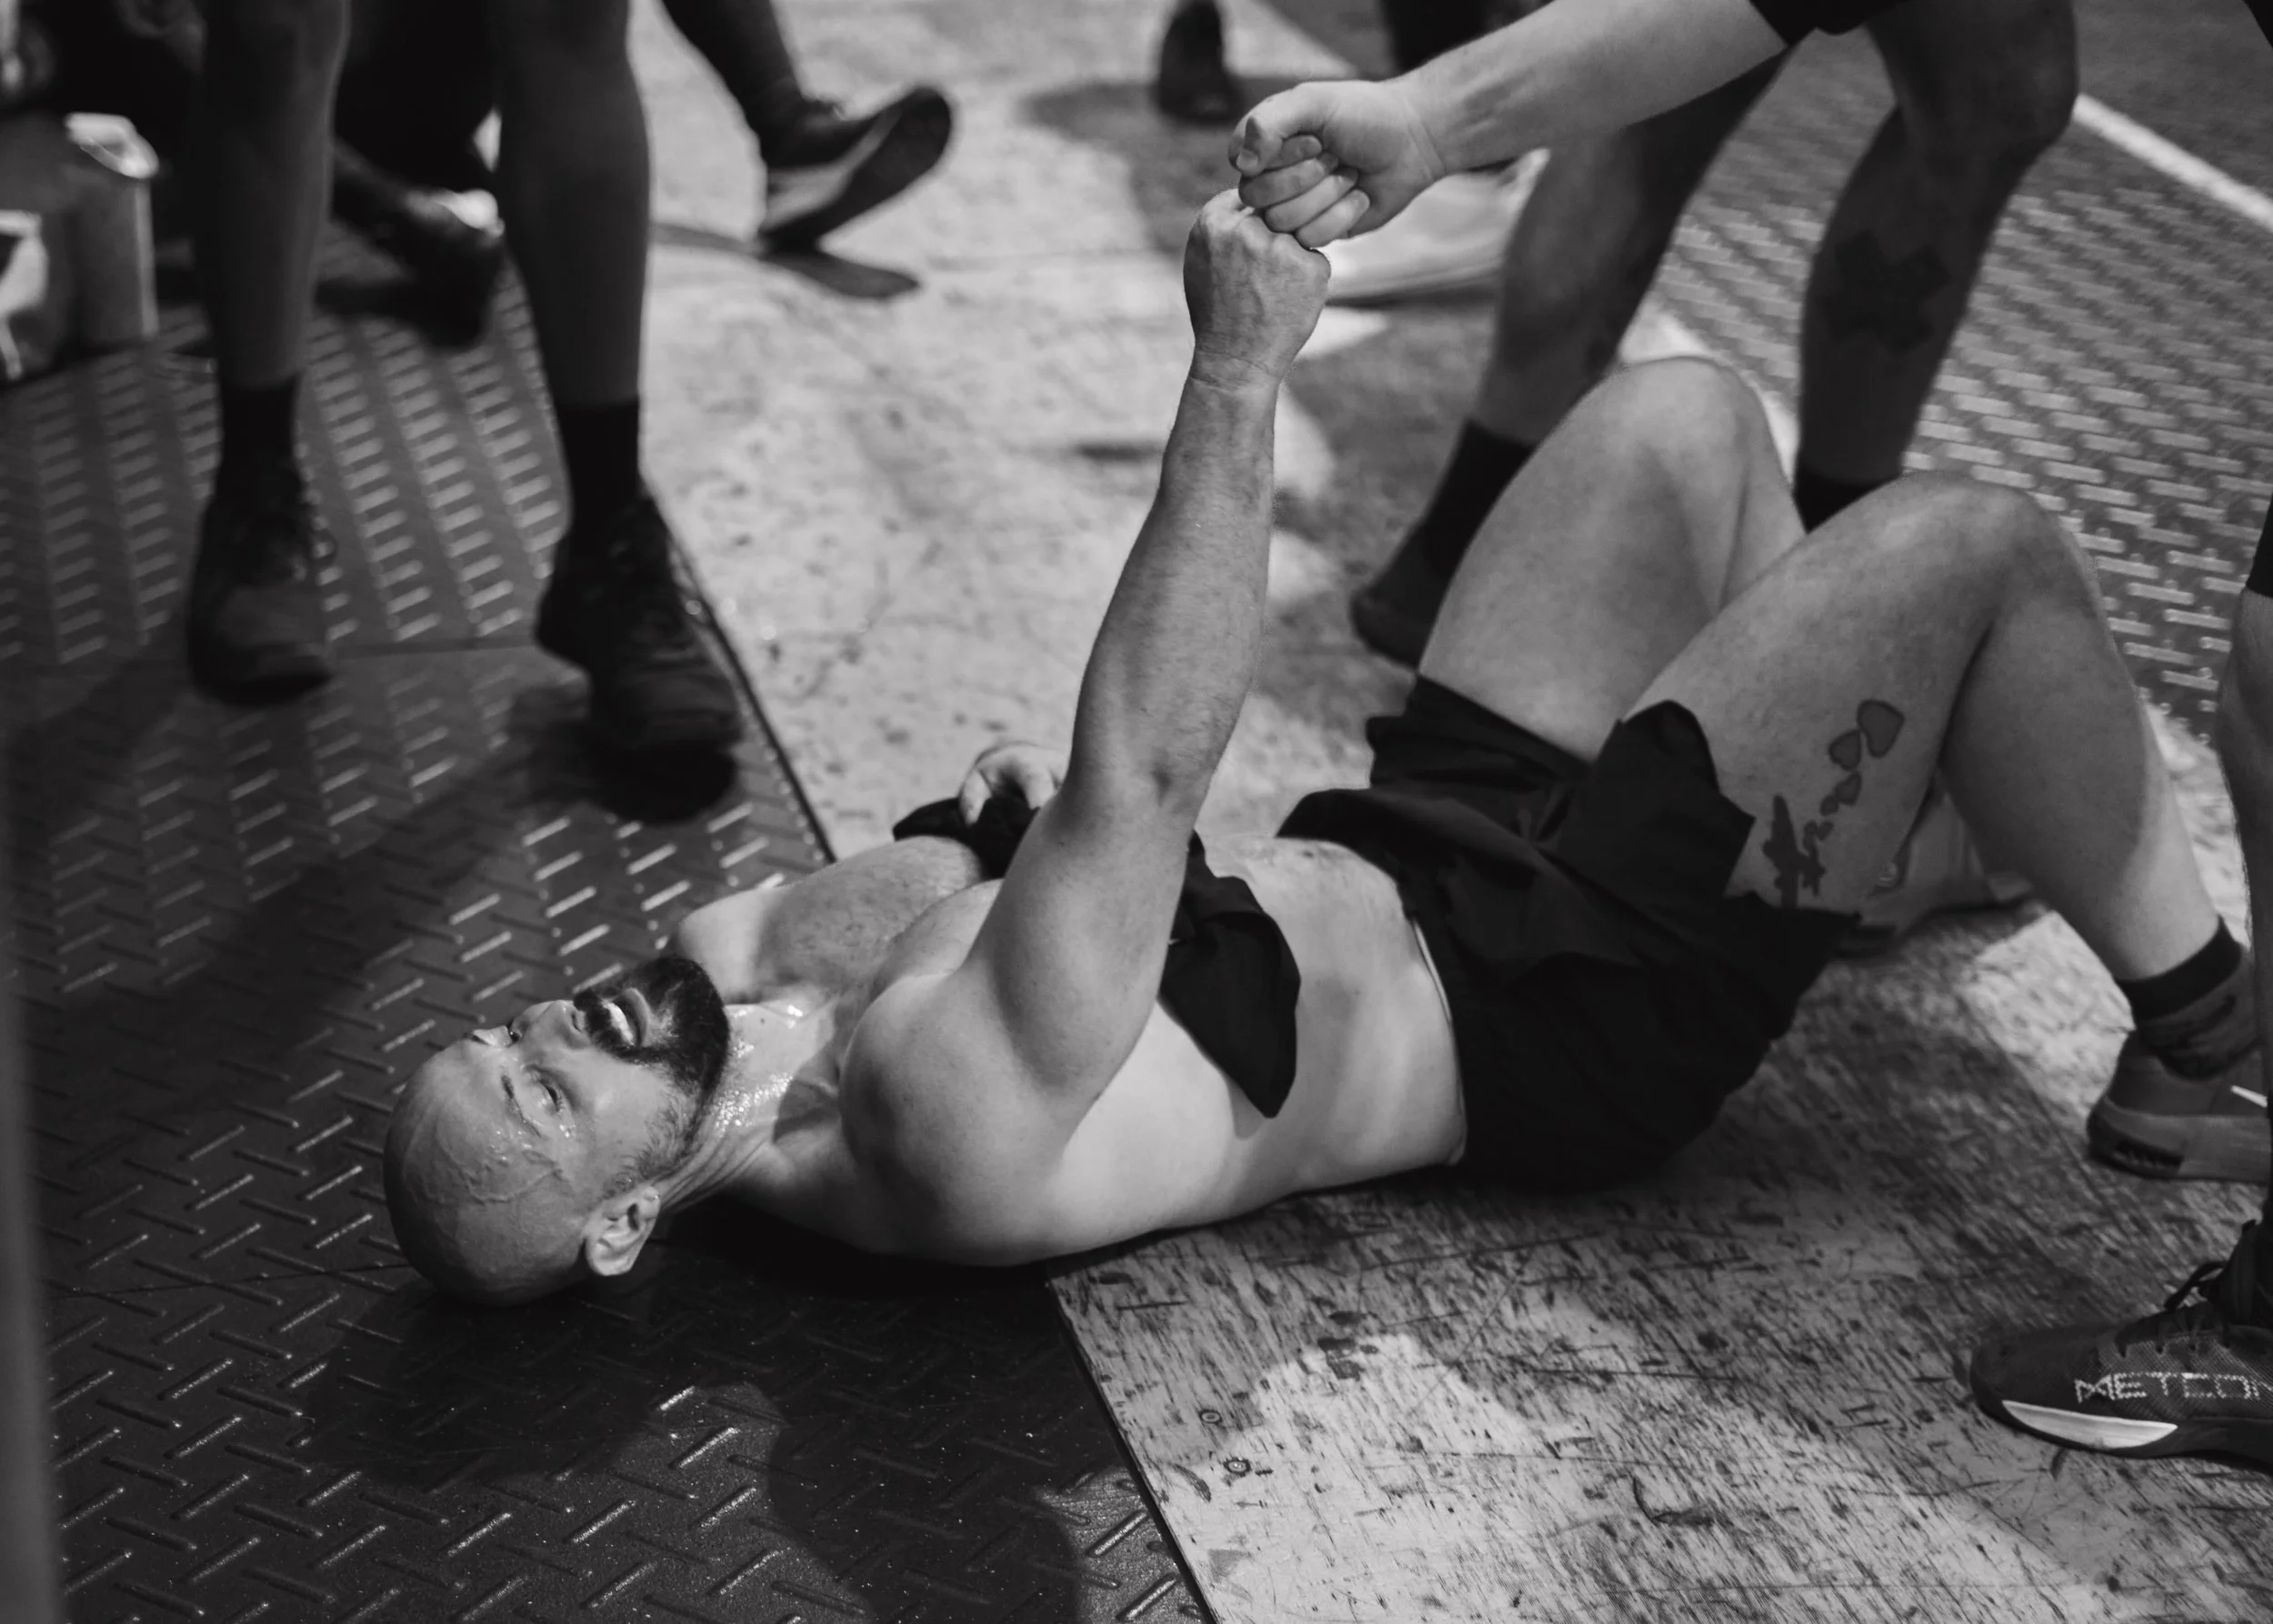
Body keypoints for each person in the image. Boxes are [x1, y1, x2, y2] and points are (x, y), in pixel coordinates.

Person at [383, 193, 2258, 1316]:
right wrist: (1238, 369)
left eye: (499, 1032)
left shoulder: (729, 985)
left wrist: (1005, 818)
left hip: (1422, 837)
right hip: (1558, 1001)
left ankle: (1860, 852)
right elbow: (1143, 775)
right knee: (1972, 542)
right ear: (621, 1224)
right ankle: (2206, 1037)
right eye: (535, 1097)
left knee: (1679, 422)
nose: (543, 1027)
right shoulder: (924, 1137)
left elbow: (1046, 844)